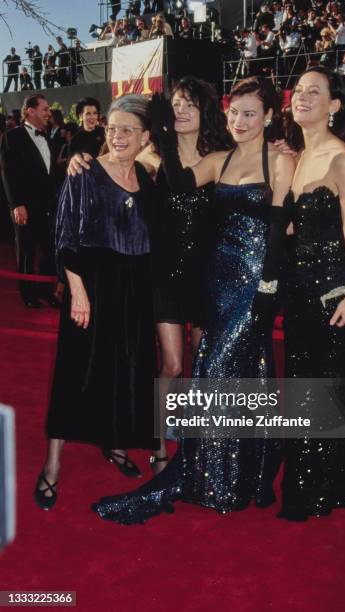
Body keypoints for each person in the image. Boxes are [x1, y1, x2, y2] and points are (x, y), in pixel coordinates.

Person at [91, 76, 295, 525]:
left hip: (231, 281)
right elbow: (161, 182)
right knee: (188, 367)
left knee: (228, 368)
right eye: (235, 112)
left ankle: (228, 464)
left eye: (249, 113)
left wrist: (270, 283)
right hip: (186, 276)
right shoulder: (196, 159)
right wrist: (87, 159)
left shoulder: (261, 157)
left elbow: (283, 224)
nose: (239, 120)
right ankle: (184, 453)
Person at [69, 77, 234, 474]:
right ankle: (158, 442)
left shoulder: (224, 155)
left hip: (207, 273)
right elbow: (114, 169)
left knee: (204, 364)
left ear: (205, 111)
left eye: (189, 103)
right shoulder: (152, 157)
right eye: (175, 102)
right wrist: (84, 160)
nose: (180, 109)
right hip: (163, 272)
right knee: (173, 365)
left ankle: (196, 439)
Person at [34, 94, 159, 511]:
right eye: (113, 128)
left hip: (135, 289)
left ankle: (117, 443)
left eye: (128, 130)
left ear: (145, 137)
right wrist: (78, 289)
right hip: (91, 284)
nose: (118, 136)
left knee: (125, 371)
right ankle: (52, 466)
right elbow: (65, 234)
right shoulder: (84, 171)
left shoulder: (147, 177)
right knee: (74, 371)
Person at [280, 66, 345, 521]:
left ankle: (320, 490)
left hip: (331, 291)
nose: (303, 97)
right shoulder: (297, 158)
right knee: (303, 389)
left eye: (316, 92)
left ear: (334, 106)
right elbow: (293, 227)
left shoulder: (340, 157)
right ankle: (312, 486)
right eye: (298, 90)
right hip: (298, 292)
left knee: (326, 390)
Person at [0, 94, 59, 308]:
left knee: (50, 250)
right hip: (25, 207)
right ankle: (28, 295)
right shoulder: (12, 136)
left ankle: (46, 292)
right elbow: (7, 174)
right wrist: (16, 204)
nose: (48, 112)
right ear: (30, 111)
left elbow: (49, 173)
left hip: (47, 207)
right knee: (27, 251)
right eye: (44, 109)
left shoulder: (48, 137)